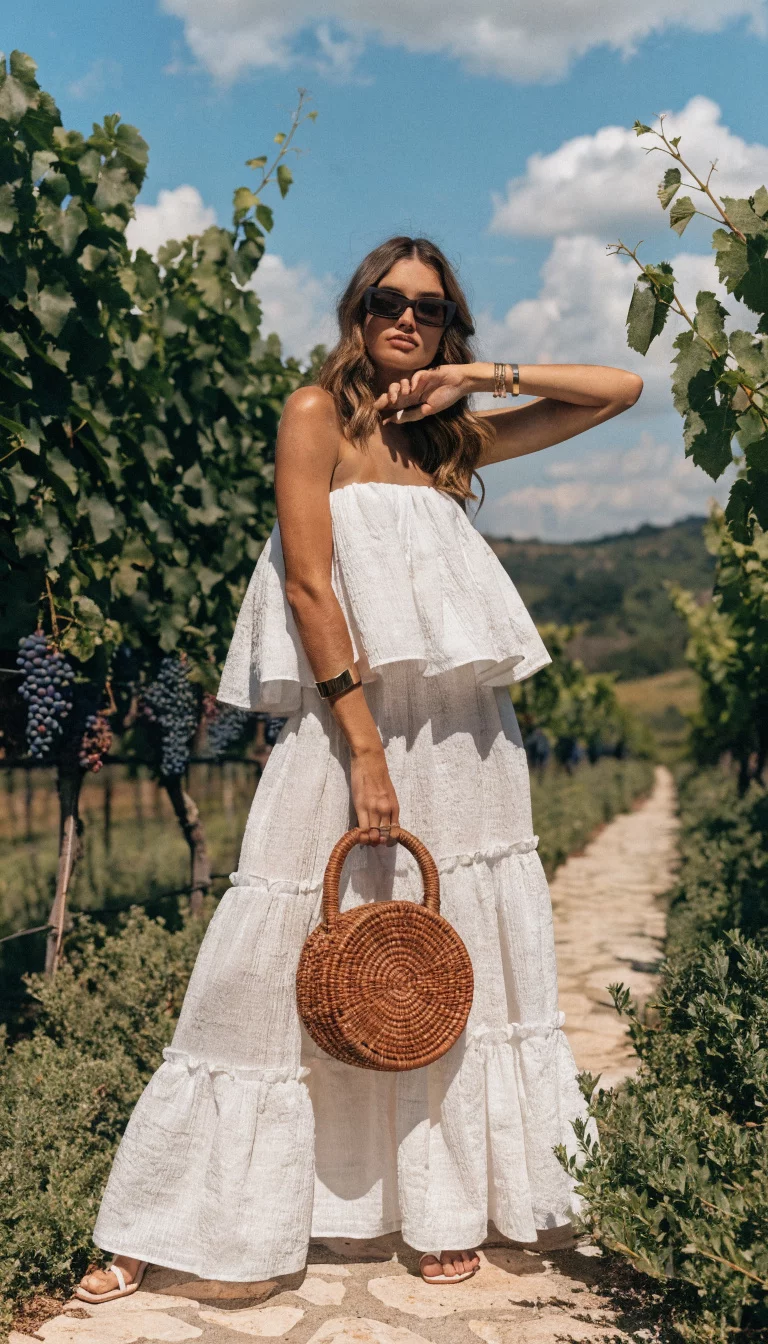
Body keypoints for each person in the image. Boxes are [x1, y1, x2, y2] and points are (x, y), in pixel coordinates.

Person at [76, 234, 642, 1301]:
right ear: (354, 309)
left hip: (467, 738)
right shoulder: (314, 416)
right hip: (352, 732)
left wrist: (482, 378)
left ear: (448, 326)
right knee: (273, 951)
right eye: (387, 300)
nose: (406, 319)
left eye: (429, 309)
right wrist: (365, 746)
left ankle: (435, 1206)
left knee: (433, 965)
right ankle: (170, 1216)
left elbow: (621, 388)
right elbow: (305, 585)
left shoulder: (449, 438)